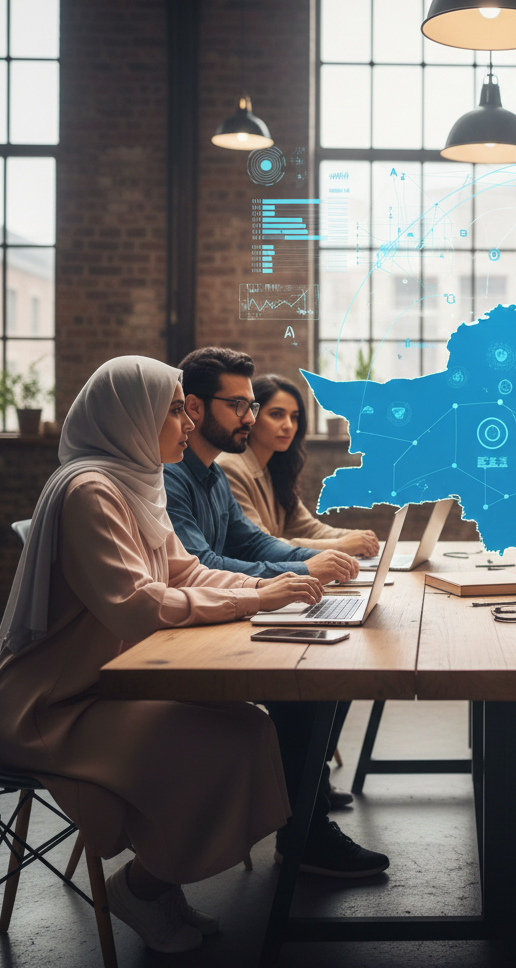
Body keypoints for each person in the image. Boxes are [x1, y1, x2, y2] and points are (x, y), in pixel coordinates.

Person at [0, 356, 327, 953]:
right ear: (131, 415)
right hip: (49, 709)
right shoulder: (90, 492)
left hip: (104, 686)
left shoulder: (132, 481)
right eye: (174, 409)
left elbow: (187, 571)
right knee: (223, 741)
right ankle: (143, 889)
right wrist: (258, 599)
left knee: (250, 724)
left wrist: (263, 591)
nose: (187, 423)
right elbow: (135, 606)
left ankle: (158, 884)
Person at [163, 347, 388, 876]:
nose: (251, 416)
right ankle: (303, 832)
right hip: (184, 634)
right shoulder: (172, 479)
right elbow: (203, 563)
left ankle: (303, 819)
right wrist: (298, 576)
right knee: (308, 683)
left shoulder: (211, 474)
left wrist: (314, 561)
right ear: (194, 408)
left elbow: (254, 540)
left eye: (251, 406)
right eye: (240, 406)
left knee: (328, 663)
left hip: (220, 614)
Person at [216, 373, 379, 557]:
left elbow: (309, 528)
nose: (288, 425)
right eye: (276, 414)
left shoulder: (274, 469)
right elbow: (261, 545)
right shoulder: (230, 469)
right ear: (252, 417)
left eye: (294, 417)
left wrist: (357, 537)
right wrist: (340, 545)